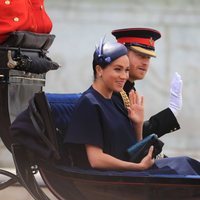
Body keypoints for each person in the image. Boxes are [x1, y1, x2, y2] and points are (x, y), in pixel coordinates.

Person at [64, 38, 200, 175]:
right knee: (185, 171)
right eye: (118, 69)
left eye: (127, 70)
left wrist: (138, 124)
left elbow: (134, 149)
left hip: (129, 172)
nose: (124, 76)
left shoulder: (114, 101)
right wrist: (138, 167)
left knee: (186, 164)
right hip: (114, 177)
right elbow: (96, 159)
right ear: (99, 70)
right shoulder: (90, 102)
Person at [111, 28, 182, 138]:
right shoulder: (112, 91)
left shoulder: (128, 89)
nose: (145, 62)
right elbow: (126, 139)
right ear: (122, 55)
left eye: (148, 57)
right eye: (140, 55)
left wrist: (171, 112)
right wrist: (171, 112)